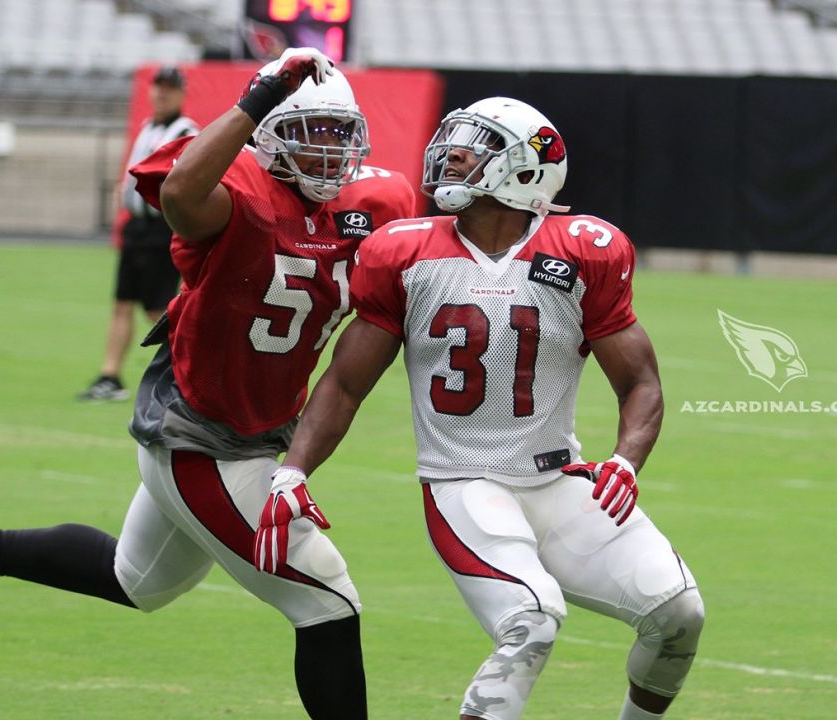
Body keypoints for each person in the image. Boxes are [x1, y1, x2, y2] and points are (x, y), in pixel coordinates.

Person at [0, 48, 417, 720]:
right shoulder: (235, 193)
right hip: (203, 436)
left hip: (257, 428)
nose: (327, 153)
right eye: (308, 133)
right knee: (328, 600)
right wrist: (259, 96)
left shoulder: (379, 199)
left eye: (338, 134)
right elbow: (178, 193)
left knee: (139, 581)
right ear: (265, 136)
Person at [256, 97, 705, 720]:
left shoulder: (584, 250)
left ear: (524, 168)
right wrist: (294, 470)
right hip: (465, 482)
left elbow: (641, 383)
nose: (451, 153)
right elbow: (344, 383)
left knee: (680, 615)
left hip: (557, 482)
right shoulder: (404, 252)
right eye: (454, 139)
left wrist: (626, 462)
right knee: (532, 619)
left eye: (476, 143)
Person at [79, 66, 199, 401]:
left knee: (156, 308)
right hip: (136, 226)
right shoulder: (148, 127)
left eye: (168, 89)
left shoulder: (186, 130)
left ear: (181, 93)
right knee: (122, 302)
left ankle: (191, 373)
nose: (160, 94)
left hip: (161, 227)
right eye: (157, 87)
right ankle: (110, 375)